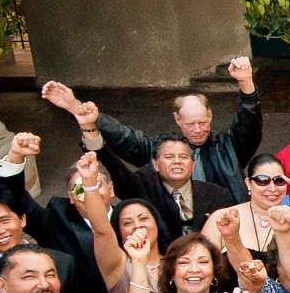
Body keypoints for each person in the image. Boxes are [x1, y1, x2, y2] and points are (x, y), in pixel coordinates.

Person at [88, 57, 261, 206]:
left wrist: (246, 83)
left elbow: (249, 123)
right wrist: (95, 118)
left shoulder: (228, 146)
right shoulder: (158, 148)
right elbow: (124, 138)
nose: (198, 130)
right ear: (177, 119)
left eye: (202, 122)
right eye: (190, 124)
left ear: (210, 115)